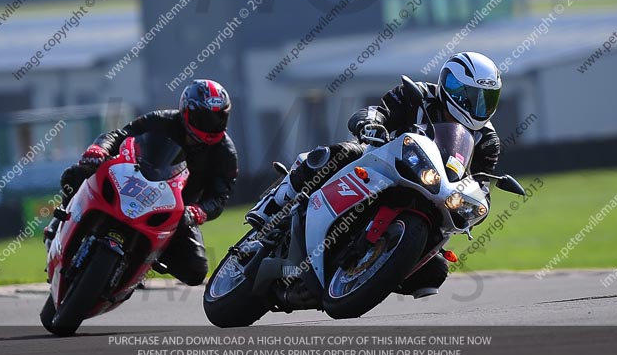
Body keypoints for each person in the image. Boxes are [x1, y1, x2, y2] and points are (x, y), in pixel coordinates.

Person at [247, 52, 502, 298]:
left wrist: (478, 206)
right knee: (335, 154)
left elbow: (482, 184)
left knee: (434, 273)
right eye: (470, 96)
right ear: (451, 86)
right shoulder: (418, 94)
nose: (477, 106)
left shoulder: (487, 140)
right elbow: (377, 111)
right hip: (382, 164)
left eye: (486, 99)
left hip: (433, 190)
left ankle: (368, 272)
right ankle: (270, 206)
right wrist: (371, 124)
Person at [45, 79, 238, 286]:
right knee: (75, 174)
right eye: (206, 117)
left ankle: (143, 260)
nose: (213, 125)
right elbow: (119, 135)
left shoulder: (225, 153)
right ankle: (60, 221)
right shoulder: (161, 120)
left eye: (219, 118)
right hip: (133, 182)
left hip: (175, 210)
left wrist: (199, 211)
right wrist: (100, 148)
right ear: (188, 112)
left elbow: (218, 197)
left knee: (196, 270)